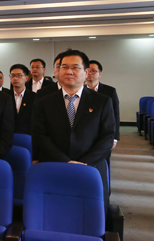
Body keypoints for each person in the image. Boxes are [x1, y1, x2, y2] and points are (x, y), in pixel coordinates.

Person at [32, 49, 115, 213]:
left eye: (75, 67)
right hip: (55, 165)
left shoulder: (102, 101)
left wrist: (85, 163)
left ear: (86, 72)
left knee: (91, 214)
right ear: (58, 71)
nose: (69, 71)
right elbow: (40, 135)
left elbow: (107, 137)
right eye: (64, 67)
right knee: (55, 212)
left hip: (91, 168)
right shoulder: (44, 102)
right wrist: (66, 162)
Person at [87, 60, 120, 147]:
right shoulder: (79, 91)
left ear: (100, 74)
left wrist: (115, 137)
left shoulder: (110, 91)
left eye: (93, 71)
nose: (90, 73)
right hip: (85, 134)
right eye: (88, 70)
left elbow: (115, 114)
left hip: (104, 132)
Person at [8, 64, 35, 135]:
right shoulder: (5, 96)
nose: (15, 78)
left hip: (28, 135)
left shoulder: (34, 97)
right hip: (8, 135)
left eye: (19, 75)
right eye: (13, 75)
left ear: (26, 78)